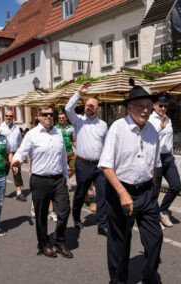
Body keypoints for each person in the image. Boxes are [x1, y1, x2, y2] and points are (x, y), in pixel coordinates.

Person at [98, 80, 162, 284]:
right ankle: (118, 281)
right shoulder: (118, 128)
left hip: (145, 192)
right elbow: (106, 165)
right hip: (120, 191)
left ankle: (150, 277)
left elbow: (155, 164)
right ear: (129, 107)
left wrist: (153, 189)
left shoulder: (152, 129)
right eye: (140, 107)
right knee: (120, 243)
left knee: (155, 239)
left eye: (148, 107)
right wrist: (122, 193)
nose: (145, 111)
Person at [11, 105, 72, 258]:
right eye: (45, 114)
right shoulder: (32, 134)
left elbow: (63, 156)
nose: (48, 116)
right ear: (39, 116)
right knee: (41, 214)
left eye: (51, 114)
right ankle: (44, 243)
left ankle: (59, 241)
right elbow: (21, 151)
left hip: (58, 179)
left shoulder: (58, 132)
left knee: (64, 211)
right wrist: (17, 160)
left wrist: (65, 176)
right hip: (40, 180)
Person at [65, 81, 109, 236]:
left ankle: (102, 224)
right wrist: (79, 93)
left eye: (92, 105)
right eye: (87, 105)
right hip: (83, 165)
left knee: (103, 195)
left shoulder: (103, 125)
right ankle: (76, 218)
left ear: (97, 109)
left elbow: (107, 145)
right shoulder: (78, 121)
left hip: (100, 166)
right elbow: (67, 108)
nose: (89, 107)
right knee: (80, 193)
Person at [148, 93, 181, 229]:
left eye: (165, 106)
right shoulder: (150, 119)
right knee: (155, 191)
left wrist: (172, 155)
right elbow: (149, 138)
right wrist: (161, 127)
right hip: (156, 157)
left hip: (167, 157)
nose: (163, 108)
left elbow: (169, 139)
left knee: (176, 186)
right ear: (154, 105)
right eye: (160, 105)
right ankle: (154, 218)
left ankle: (163, 210)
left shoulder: (169, 119)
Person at [0, 110, 27, 202]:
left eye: (10, 116)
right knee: (2, 172)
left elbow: (20, 142)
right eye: (7, 116)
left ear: (13, 117)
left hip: (15, 154)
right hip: (3, 154)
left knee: (17, 172)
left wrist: (22, 154)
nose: (8, 117)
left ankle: (19, 193)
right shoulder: (0, 128)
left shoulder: (17, 128)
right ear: (4, 116)